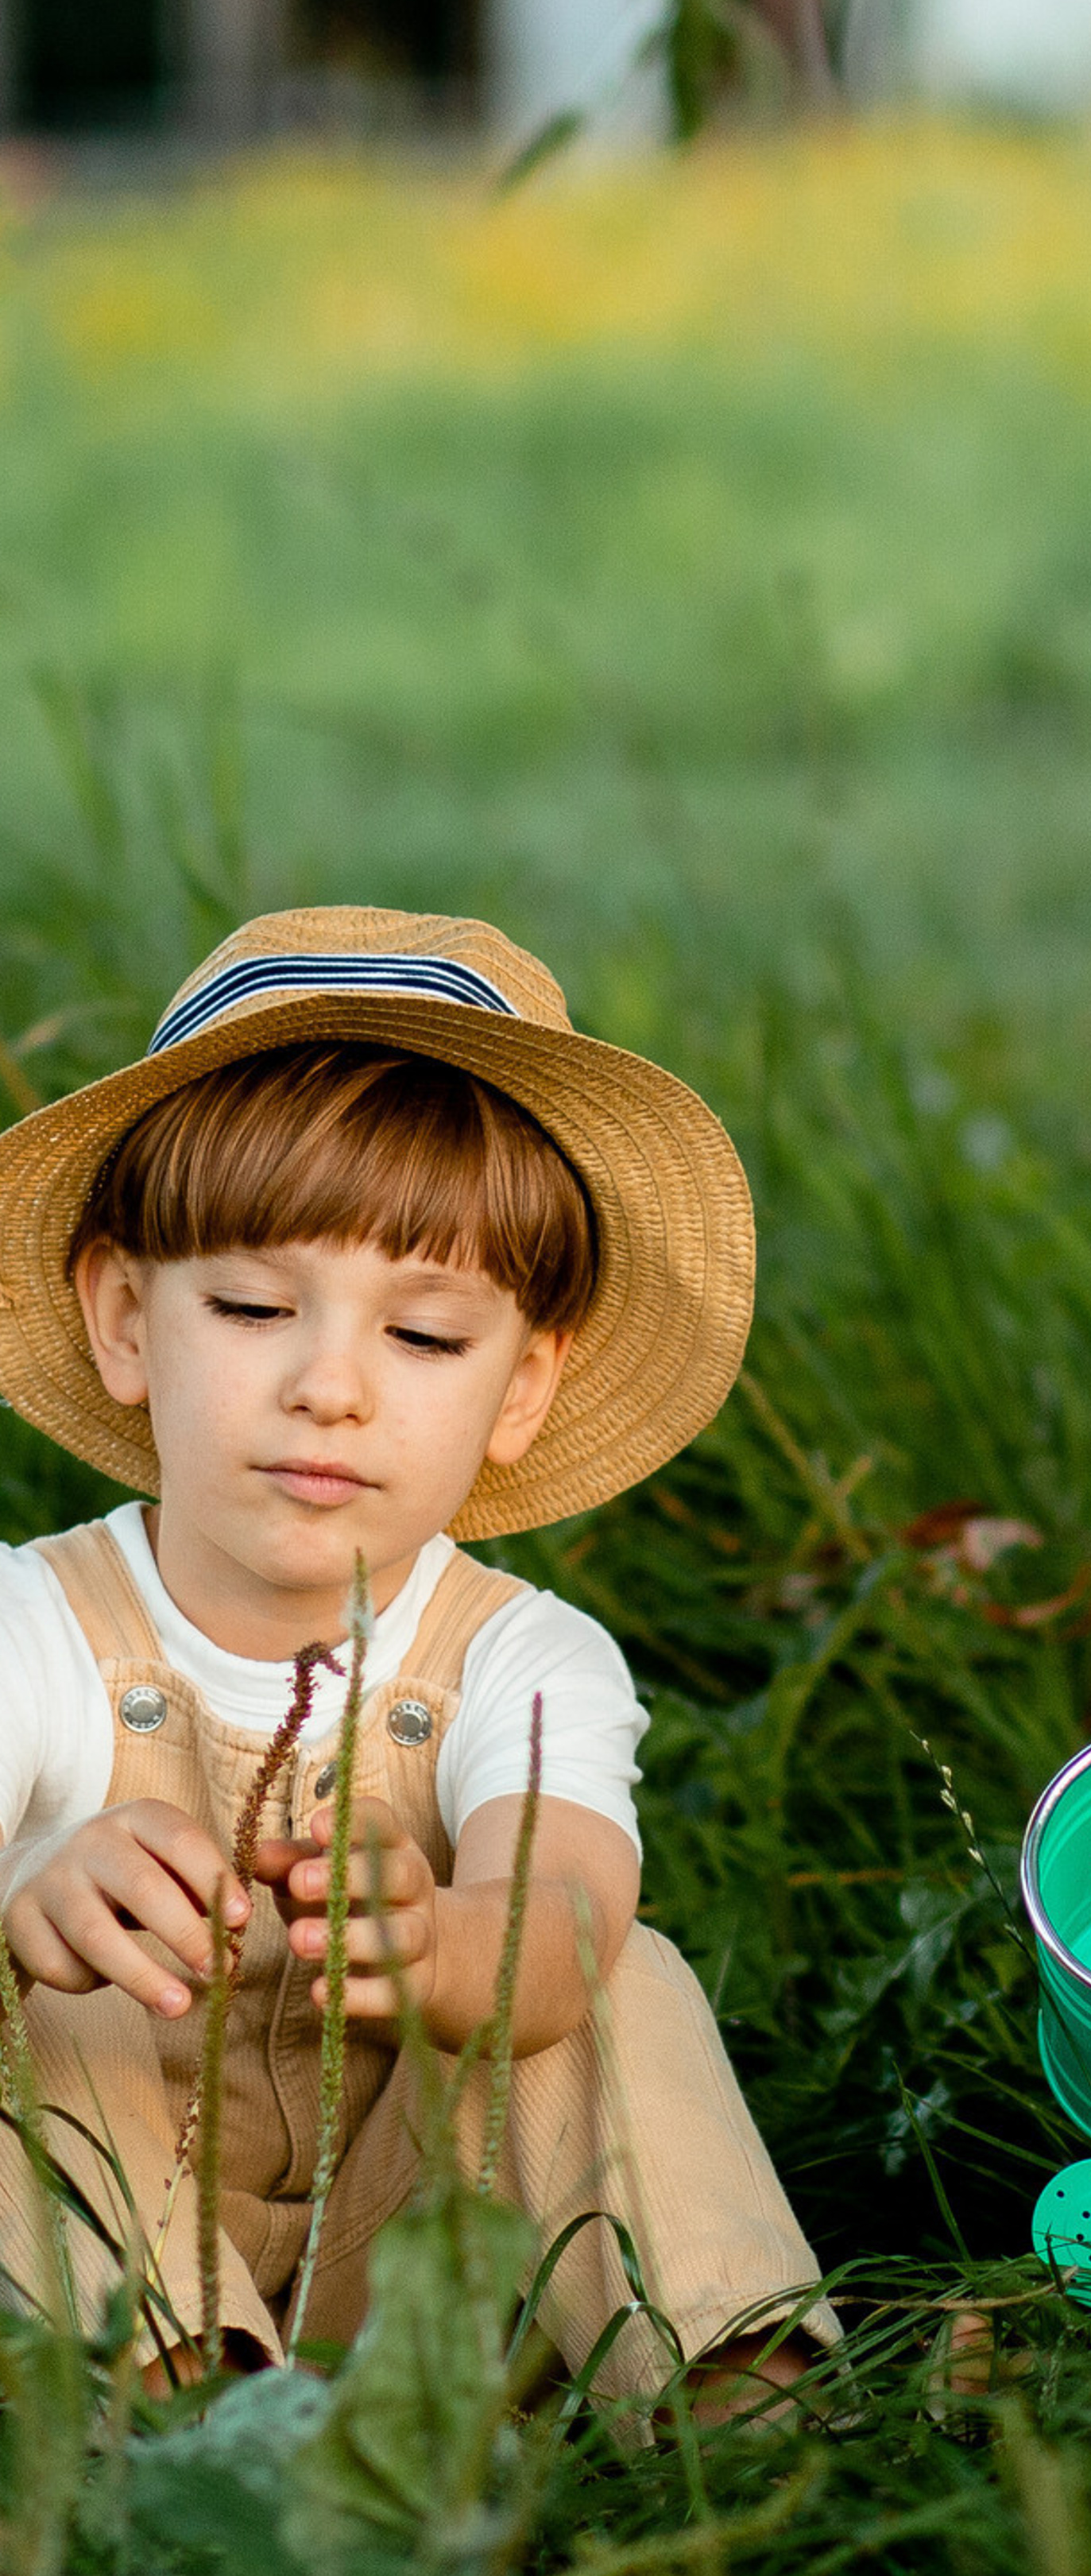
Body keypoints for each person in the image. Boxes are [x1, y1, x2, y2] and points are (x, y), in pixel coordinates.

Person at [0, 905, 833, 2408]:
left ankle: (734, 2396)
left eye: (428, 1339)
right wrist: (24, 1895)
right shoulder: (32, 1631)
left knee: (602, 1978)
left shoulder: (523, 1660)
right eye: (253, 1308)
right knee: (24, 2005)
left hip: (421, 2273)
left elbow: (567, 1915)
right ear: (128, 1322)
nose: (330, 1387)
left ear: (523, 1388)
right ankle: (170, 2427)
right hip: (83, 2264)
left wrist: (446, 1944)